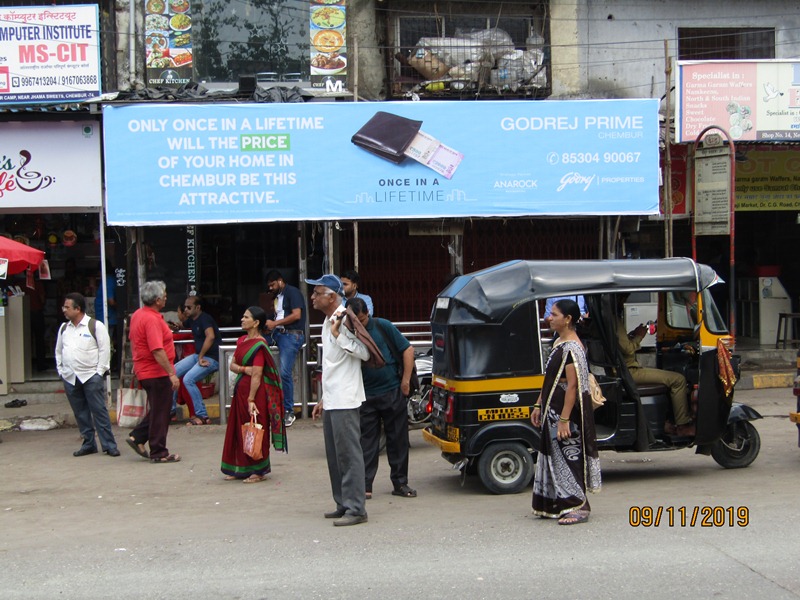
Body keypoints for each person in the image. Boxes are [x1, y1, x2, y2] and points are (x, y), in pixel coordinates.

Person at [531, 298, 601, 525]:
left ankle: (579, 506)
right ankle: (556, 503)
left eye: (554, 314)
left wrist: (564, 419)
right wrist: (539, 404)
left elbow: (572, 386)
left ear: (568, 319)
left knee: (569, 457)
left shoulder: (573, 348)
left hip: (565, 412)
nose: (549, 318)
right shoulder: (559, 342)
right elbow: (549, 380)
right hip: (552, 409)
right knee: (554, 455)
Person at [309, 274, 370, 527]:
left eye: (317, 293)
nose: (312, 297)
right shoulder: (327, 321)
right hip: (333, 398)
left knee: (349, 456)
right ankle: (343, 503)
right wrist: (323, 397)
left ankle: (357, 509)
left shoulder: (346, 318)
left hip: (346, 398)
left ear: (331, 296)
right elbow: (331, 365)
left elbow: (365, 352)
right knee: (334, 456)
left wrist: (340, 336)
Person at [347, 297, 417, 499]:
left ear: (367, 313)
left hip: (391, 391)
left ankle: (400, 483)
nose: (360, 324)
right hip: (364, 395)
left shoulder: (382, 326)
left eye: (362, 319)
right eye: (356, 320)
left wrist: (405, 381)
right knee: (367, 443)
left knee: (398, 440)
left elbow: (408, 350)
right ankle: (365, 485)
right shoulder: (348, 332)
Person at [221, 306, 287, 483]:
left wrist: (251, 399)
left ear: (256, 322)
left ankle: (258, 470)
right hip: (240, 391)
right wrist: (245, 369)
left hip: (254, 394)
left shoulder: (260, 345)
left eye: (246, 317)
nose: (242, 319)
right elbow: (232, 365)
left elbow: (257, 374)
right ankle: (240, 468)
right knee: (239, 428)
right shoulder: (242, 340)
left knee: (255, 428)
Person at [616, 294, 694, 437]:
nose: (624, 302)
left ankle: (669, 422)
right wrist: (639, 336)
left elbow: (621, 344)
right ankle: (682, 425)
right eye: (623, 298)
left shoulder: (609, 320)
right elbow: (627, 348)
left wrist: (633, 335)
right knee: (678, 380)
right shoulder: (613, 321)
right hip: (629, 371)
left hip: (623, 368)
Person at [55, 292, 119, 457]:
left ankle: (109, 445)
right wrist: (61, 370)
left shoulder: (95, 326)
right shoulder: (64, 328)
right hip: (70, 377)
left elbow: (105, 351)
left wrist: (99, 372)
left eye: (67, 307)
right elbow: (59, 352)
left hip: (91, 376)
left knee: (99, 411)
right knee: (80, 413)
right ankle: (89, 443)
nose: (64, 310)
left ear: (78, 309)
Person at [126, 280, 181, 463]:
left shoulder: (139, 315)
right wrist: (171, 373)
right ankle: (158, 451)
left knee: (159, 409)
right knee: (161, 412)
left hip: (146, 369)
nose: (166, 298)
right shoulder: (150, 319)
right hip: (156, 372)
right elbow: (157, 349)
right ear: (157, 299)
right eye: (164, 295)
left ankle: (138, 436)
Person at [265, 269, 306, 428]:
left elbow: (296, 315)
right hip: (278, 333)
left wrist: (275, 324)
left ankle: (289, 410)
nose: (271, 288)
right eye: (269, 286)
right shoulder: (278, 297)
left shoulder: (293, 292)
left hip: (291, 335)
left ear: (280, 281)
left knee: (284, 372)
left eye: (273, 284)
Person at [171, 295, 221, 426]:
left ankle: (202, 415)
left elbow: (210, 336)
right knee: (172, 372)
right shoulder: (192, 320)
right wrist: (177, 326)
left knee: (188, 379)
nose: (185, 310)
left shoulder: (205, 319)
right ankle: (170, 410)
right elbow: (183, 324)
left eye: (189, 307)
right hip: (198, 356)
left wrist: (200, 356)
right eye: (184, 307)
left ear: (198, 308)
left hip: (211, 358)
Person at [94, 267, 118, 371]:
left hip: (107, 316)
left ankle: (107, 366)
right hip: (105, 317)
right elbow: (111, 301)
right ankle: (106, 366)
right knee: (106, 343)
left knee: (106, 343)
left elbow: (110, 300)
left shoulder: (108, 280)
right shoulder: (108, 280)